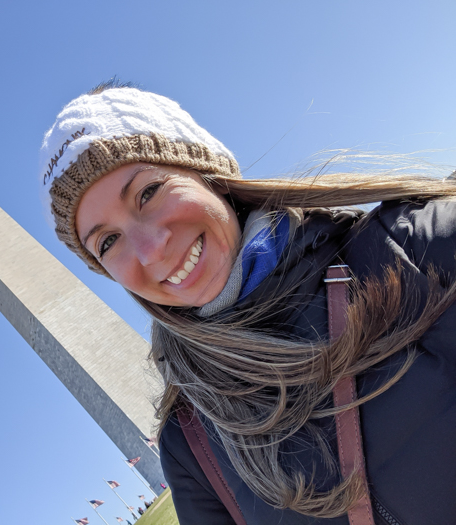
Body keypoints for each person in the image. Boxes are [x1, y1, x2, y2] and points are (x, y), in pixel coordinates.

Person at [39, 80, 456, 525]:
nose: (150, 250)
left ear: (207, 174)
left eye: (148, 192)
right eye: (107, 242)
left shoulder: (415, 249)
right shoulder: (190, 445)